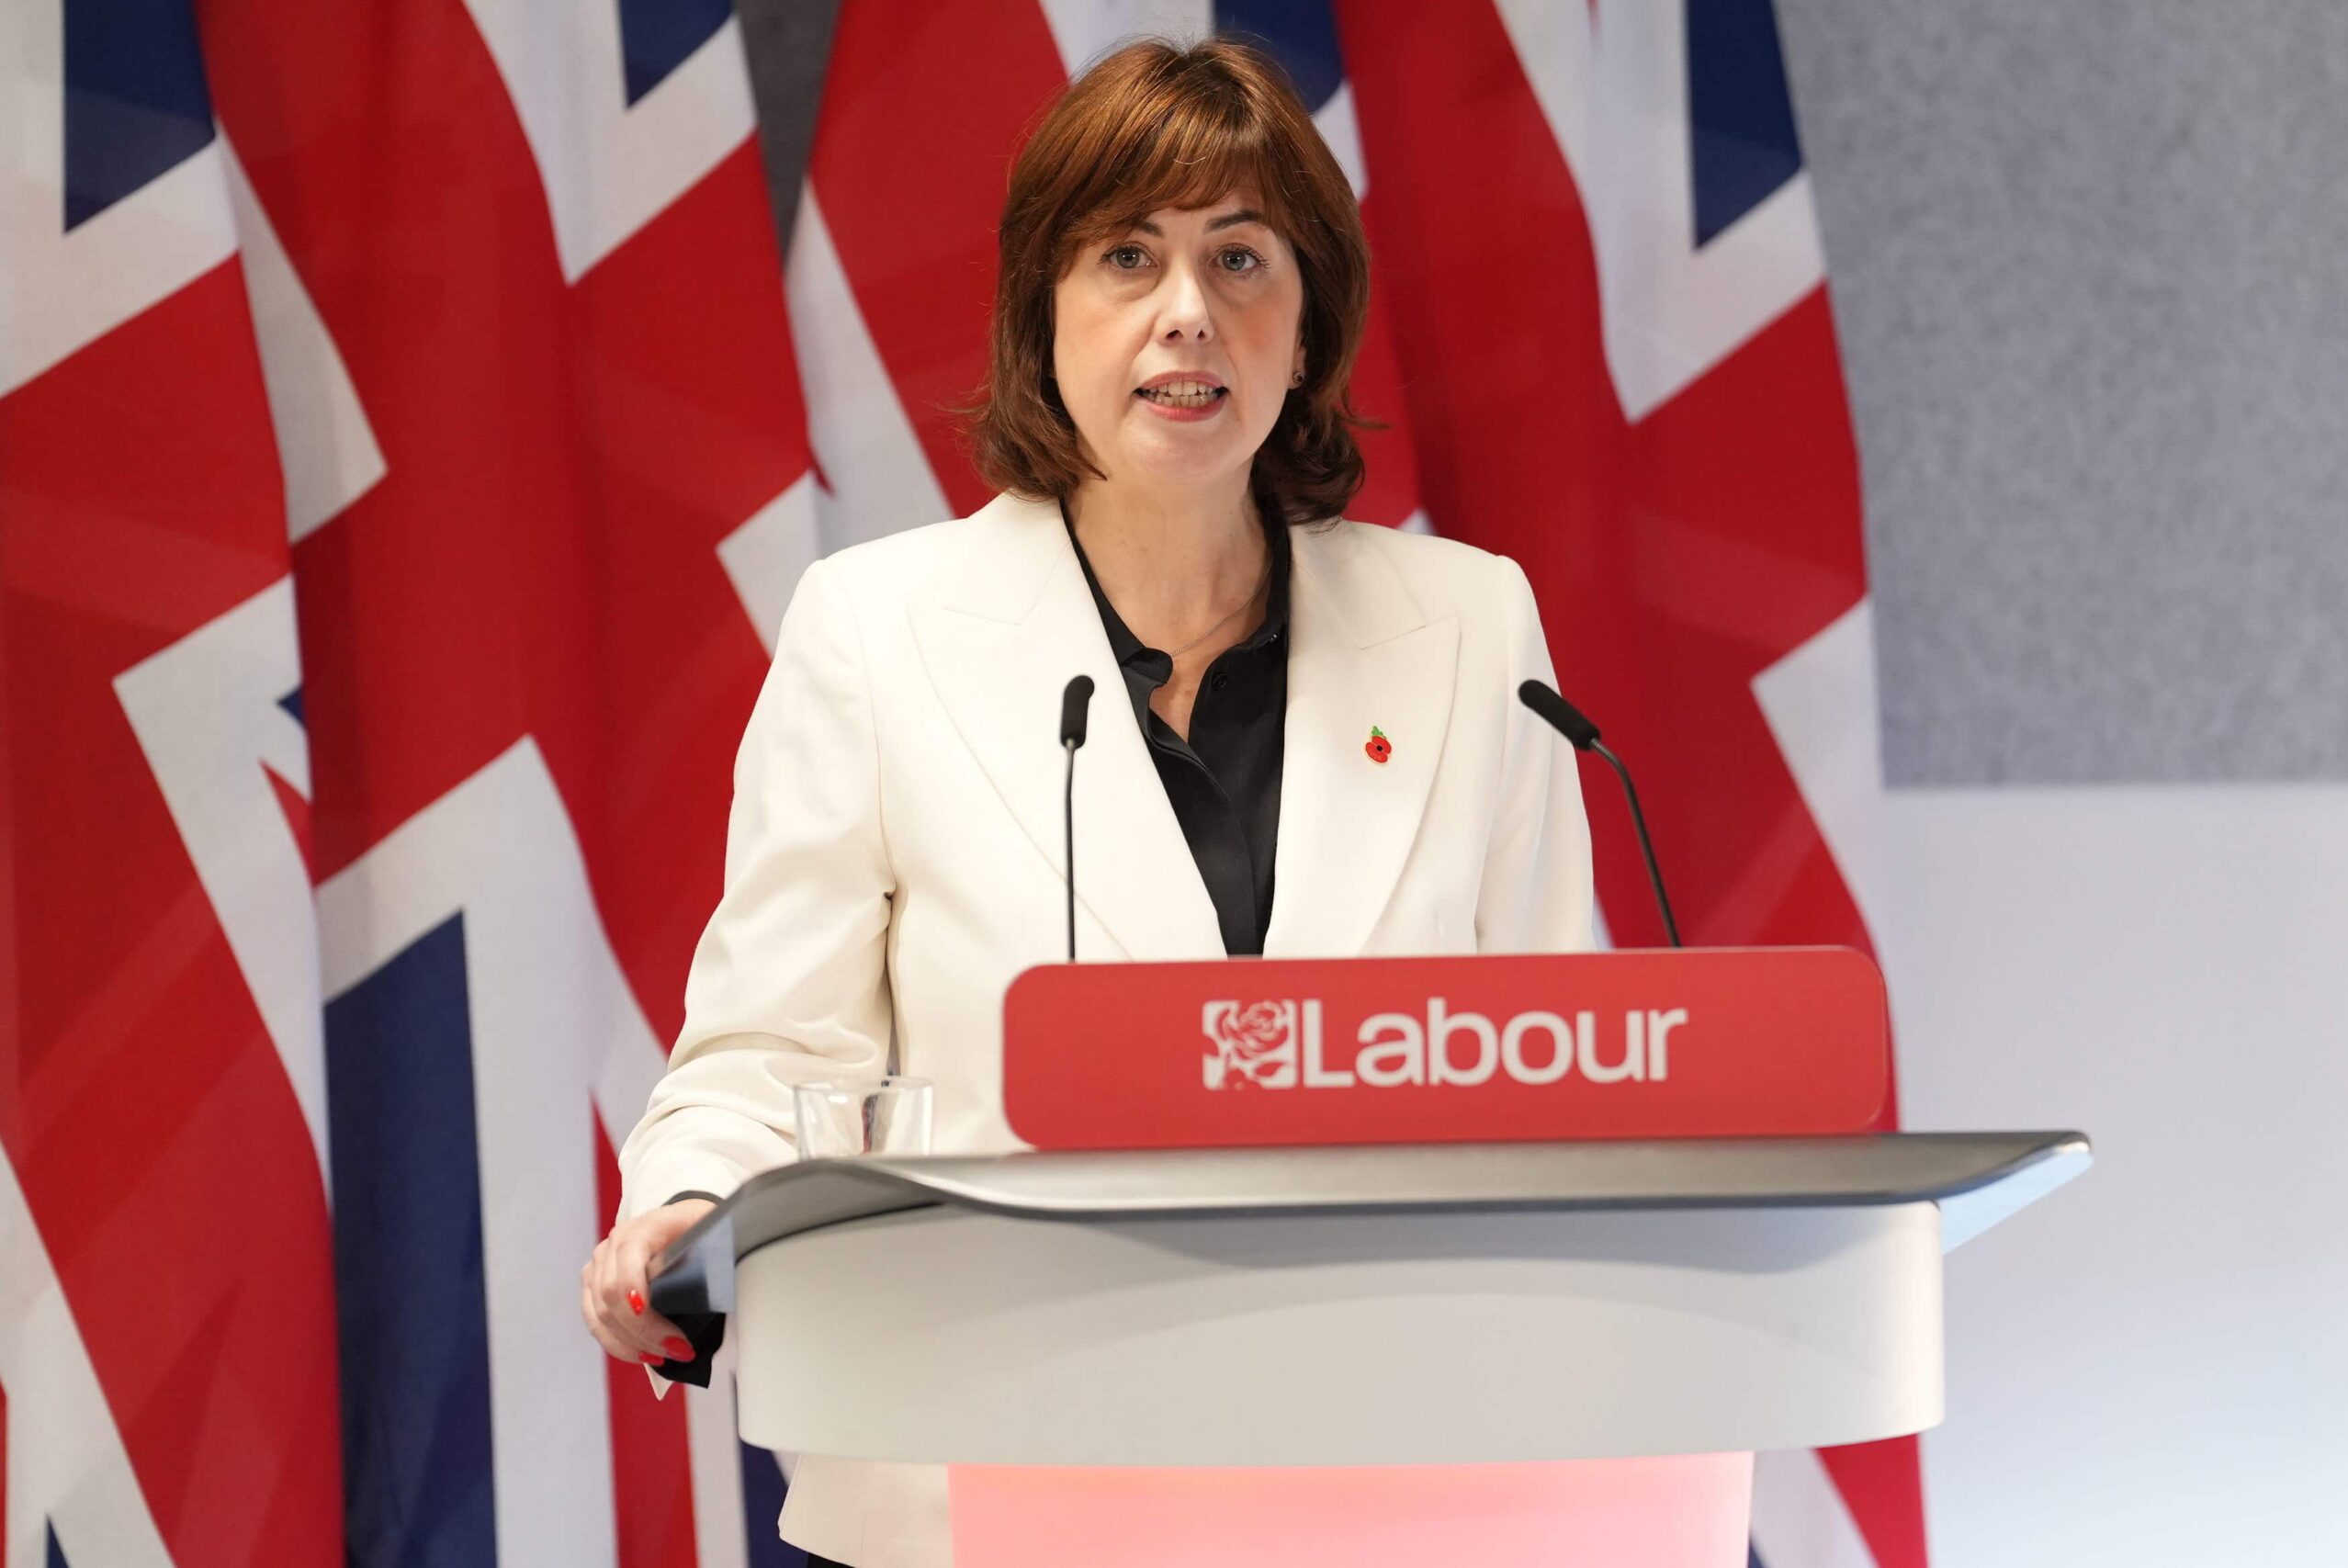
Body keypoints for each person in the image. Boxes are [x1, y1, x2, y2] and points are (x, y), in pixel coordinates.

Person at [580, 34, 1595, 1568]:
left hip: (1380, 1488)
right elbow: (772, 1050)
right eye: (1130, 255)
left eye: (1241, 258)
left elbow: (1557, 1074)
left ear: (1307, 328)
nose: (1189, 313)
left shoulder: (1471, 632)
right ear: (1043, 316)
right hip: (994, 1482)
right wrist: (684, 1203)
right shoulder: (879, 630)